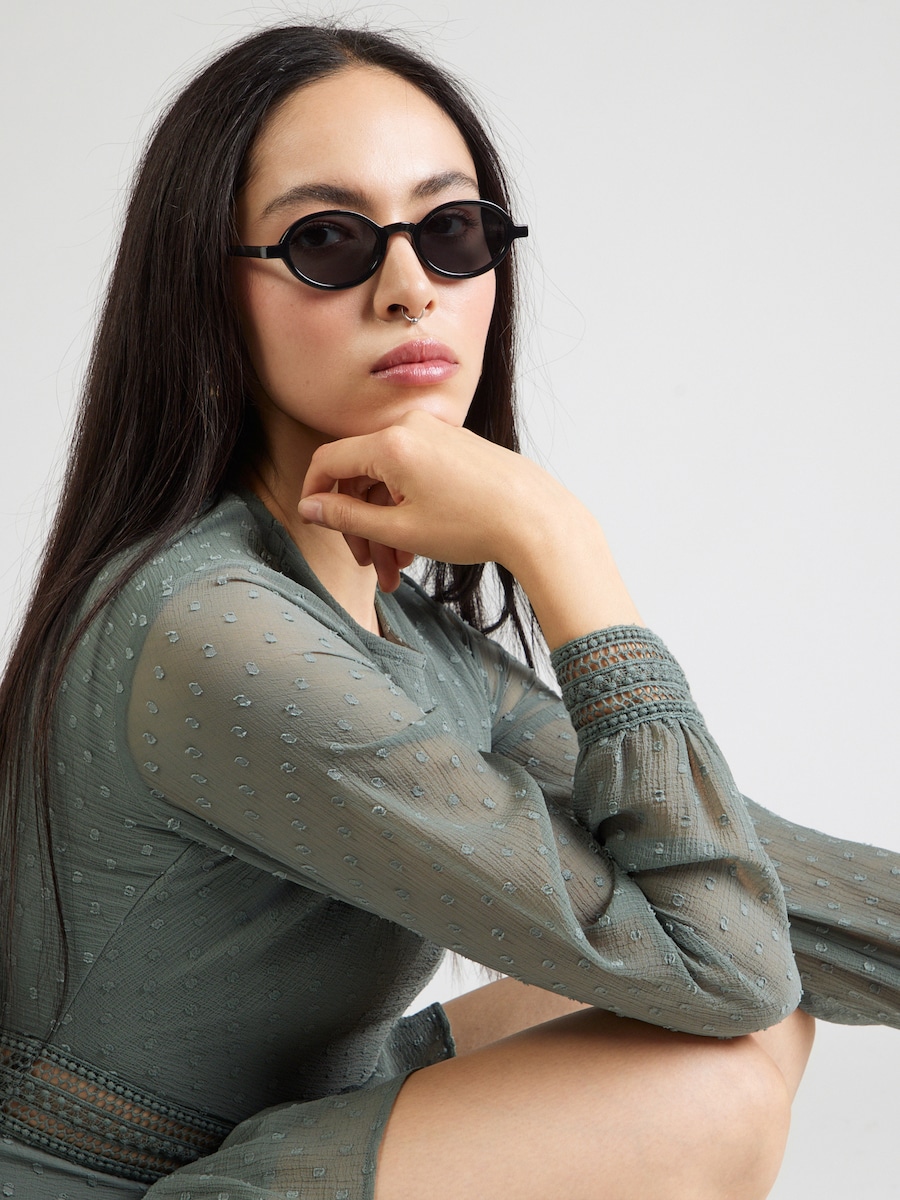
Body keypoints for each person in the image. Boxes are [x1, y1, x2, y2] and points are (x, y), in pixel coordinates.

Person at [0, 22, 896, 1200]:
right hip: (129, 1184)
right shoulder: (214, 632)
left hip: (280, 1126)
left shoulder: (401, 631)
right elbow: (723, 963)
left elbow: (759, 888)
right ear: (209, 291)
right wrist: (560, 543)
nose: (411, 288)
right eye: (329, 241)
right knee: (714, 1077)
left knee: (754, 1006)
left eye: (451, 231)